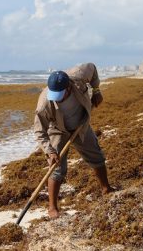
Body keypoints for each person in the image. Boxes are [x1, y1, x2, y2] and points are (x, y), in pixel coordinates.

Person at [33, 63, 114, 219]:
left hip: (80, 125)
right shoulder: (44, 103)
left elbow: (93, 68)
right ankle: (52, 207)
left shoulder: (79, 74)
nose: (56, 99)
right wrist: (50, 152)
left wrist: (96, 90)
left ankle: (106, 188)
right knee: (56, 168)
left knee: (96, 155)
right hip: (58, 129)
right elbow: (39, 131)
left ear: (69, 87)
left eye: (60, 95)